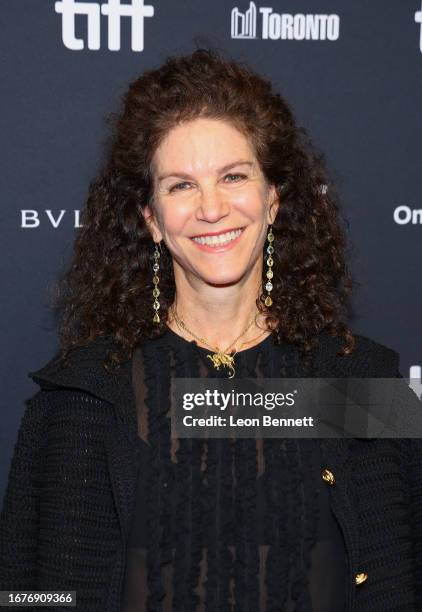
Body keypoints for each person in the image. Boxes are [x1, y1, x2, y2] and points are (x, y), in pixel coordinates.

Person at [1, 48, 421, 612]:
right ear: (151, 220)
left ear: (273, 200)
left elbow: (403, 574)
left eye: (233, 176)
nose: (212, 208)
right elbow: (30, 594)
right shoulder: (87, 394)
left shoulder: (359, 379)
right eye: (180, 186)